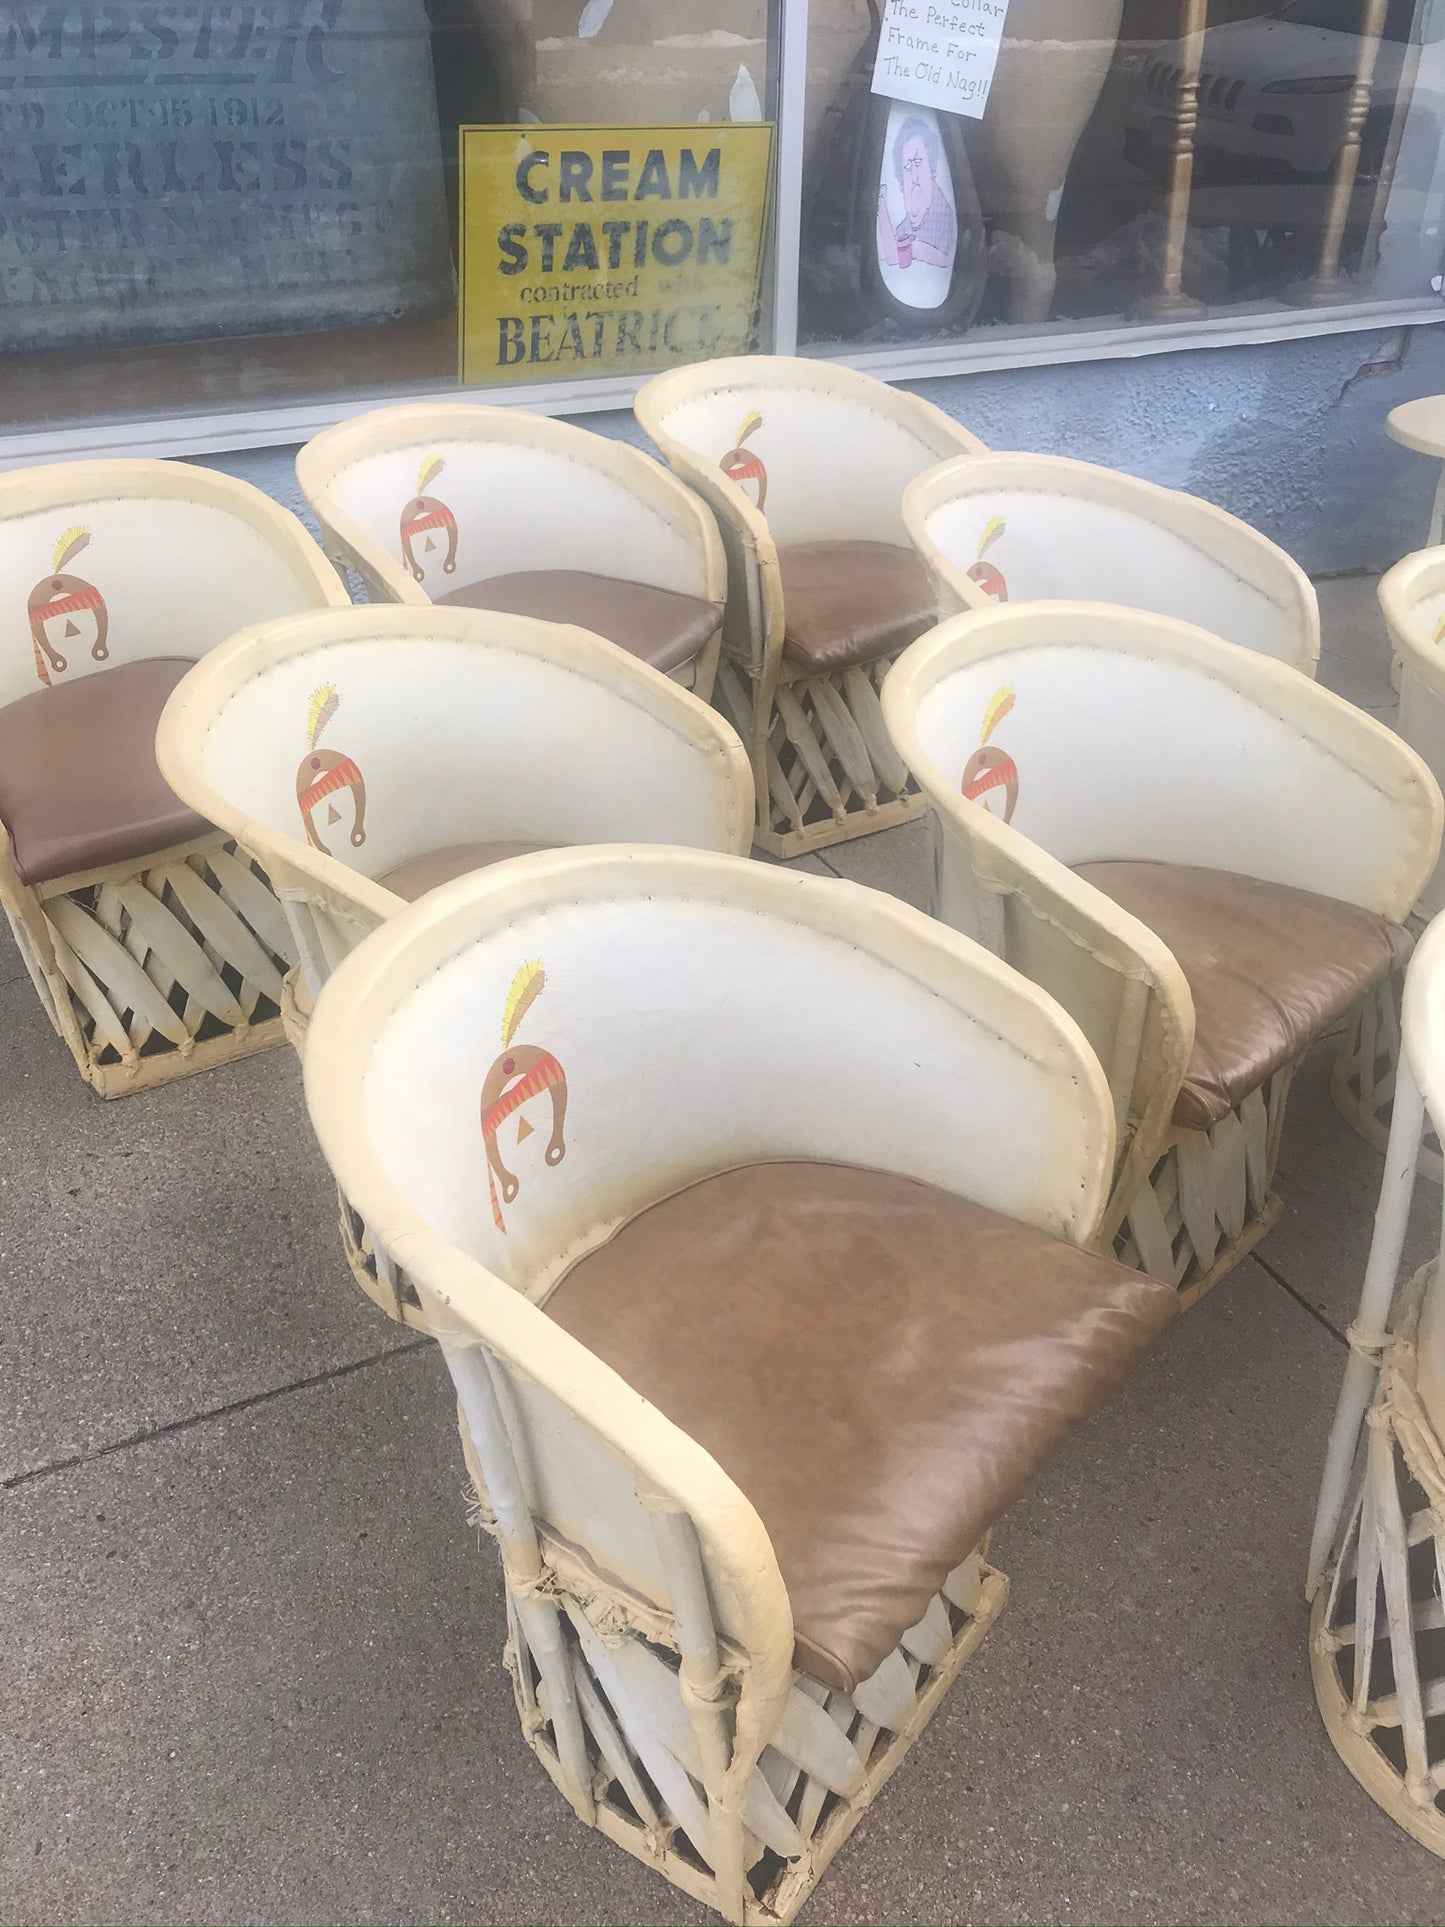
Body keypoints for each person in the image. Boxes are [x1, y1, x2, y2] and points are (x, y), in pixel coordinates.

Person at [877, 112, 957, 270]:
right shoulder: (906, 226)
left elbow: (946, 259)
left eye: (918, 162)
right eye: (907, 167)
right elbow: (893, 256)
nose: (913, 176)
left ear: (932, 168)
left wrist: (915, 249)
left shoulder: (943, 217)